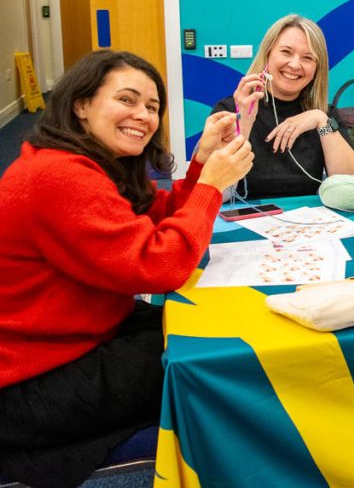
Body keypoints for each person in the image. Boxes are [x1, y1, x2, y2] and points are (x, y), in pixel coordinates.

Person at [0, 50, 254, 487]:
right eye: (127, 100)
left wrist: (201, 162)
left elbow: (156, 214)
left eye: (152, 107)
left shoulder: (83, 165)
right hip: (28, 383)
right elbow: (162, 264)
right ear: (81, 105)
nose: (143, 116)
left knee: (207, 325)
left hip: (75, 333)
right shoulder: (58, 175)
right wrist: (212, 183)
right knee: (213, 361)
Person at [212, 13, 354, 199]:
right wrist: (244, 121)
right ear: (268, 54)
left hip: (307, 221)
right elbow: (217, 192)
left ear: (317, 68)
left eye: (308, 58)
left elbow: (352, 183)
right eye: (286, 52)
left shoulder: (324, 115)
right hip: (243, 218)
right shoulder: (229, 109)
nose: (294, 64)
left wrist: (321, 121)